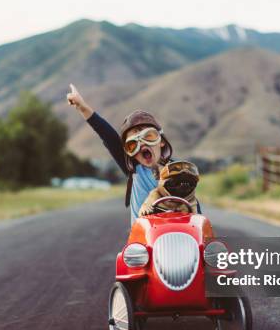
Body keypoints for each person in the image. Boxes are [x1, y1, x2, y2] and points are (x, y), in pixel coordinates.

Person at [66, 83, 199, 225]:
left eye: (149, 136)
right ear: (130, 152)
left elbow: (193, 205)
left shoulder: (179, 170)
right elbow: (108, 136)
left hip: (175, 235)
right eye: (132, 144)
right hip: (142, 240)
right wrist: (83, 107)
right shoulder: (134, 168)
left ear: (161, 141)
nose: (142, 144)